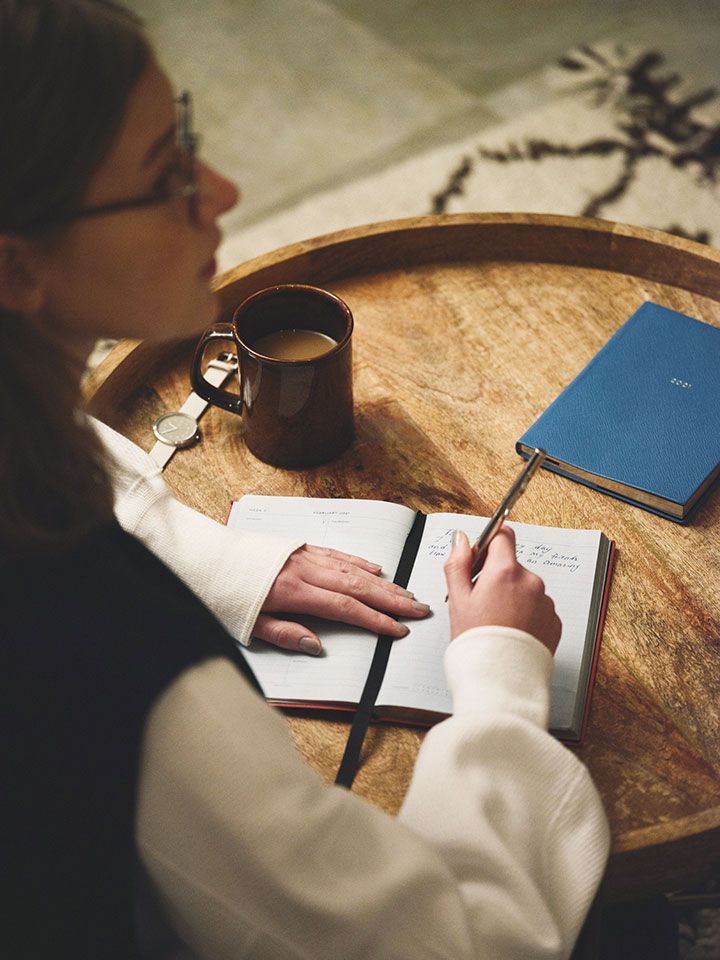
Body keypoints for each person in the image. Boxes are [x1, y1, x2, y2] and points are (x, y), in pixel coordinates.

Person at [1, 2, 609, 958]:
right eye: (167, 177)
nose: (227, 189)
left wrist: (217, 562)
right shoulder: (136, 686)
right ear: (16, 264)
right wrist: (498, 679)